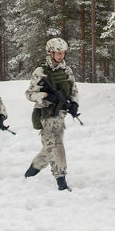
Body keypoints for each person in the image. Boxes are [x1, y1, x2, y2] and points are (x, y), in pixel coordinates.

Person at [23, 37, 78, 191]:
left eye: (63, 53)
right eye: (58, 53)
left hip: (60, 115)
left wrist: (74, 103)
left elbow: (73, 89)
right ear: (51, 53)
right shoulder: (40, 72)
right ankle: (61, 179)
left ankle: (32, 171)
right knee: (56, 146)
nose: (61, 56)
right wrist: (46, 96)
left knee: (49, 148)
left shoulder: (66, 70)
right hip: (46, 115)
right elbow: (29, 94)